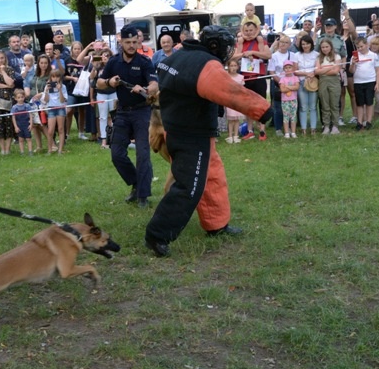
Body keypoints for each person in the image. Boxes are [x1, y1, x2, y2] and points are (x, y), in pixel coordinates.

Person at [144, 26, 272, 257]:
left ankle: (216, 224)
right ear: (216, 46)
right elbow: (230, 92)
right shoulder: (205, 66)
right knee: (189, 187)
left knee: (212, 177)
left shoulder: (178, 55)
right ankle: (157, 234)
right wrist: (263, 110)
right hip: (191, 134)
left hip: (179, 129)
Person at [97, 24, 159, 208]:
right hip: (122, 112)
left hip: (142, 111)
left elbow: (155, 85)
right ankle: (135, 182)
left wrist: (146, 88)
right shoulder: (114, 62)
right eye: (128, 42)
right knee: (116, 155)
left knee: (142, 154)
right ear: (121, 42)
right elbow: (99, 83)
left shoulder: (145, 62)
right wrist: (109, 81)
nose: (132, 45)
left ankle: (143, 196)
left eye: (134, 41)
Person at [232, 21, 271, 140]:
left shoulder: (261, 41)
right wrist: (243, 54)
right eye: (246, 31)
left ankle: (262, 131)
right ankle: (250, 130)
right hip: (246, 78)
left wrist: (253, 52)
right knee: (248, 105)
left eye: (251, 31)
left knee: (261, 104)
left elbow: (268, 55)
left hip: (258, 77)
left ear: (256, 30)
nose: (249, 33)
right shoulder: (240, 43)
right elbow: (233, 56)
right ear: (243, 31)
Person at [349, 37, 379, 130]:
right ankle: (359, 122)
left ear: (367, 45)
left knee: (369, 102)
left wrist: (377, 83)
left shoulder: (373, 55)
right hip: (358, 82)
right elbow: (351, 71)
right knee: (360, 103)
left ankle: (369, 122)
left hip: (370, 81)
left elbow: (378, 70)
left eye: (361, 46)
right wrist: (353, 63)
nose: (360, 49)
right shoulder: (355, 56)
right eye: (358, 47)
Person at [268, 34, 294, 136]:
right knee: (278, 107)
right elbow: (272, 71)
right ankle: (278, 128)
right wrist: (280, 82)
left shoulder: (292, 55)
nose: (283, 44)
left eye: (286, 42)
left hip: (290, 84)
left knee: (290, 107)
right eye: (281, 42)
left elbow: (295, 69)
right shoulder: (274, 56)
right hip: (277, 83)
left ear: (289, 44)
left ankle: (290, 128)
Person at [315, 38, 342, 135]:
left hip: (334, 82)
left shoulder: (336, 56)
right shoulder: (319, 58)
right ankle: (326, 126)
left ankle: (335, 125)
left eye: (327, 47)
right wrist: (331, 67)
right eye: (323, 47)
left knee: (334, 104)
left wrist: (323, 69)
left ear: (330, 47)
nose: (325, 49)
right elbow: (317, 71)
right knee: (325, 104)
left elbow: (336, 71)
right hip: (323, 81)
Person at [90, 49, 116, 149]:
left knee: (114, 116)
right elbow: (91, 78)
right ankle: (104, 141)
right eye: (103, 56)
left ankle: (114, 139)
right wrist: (94, 67)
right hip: (101, 94)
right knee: (103, 117)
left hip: (113, 93)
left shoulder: (113, 66)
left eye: (107, 56)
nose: (105, 57)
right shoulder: (98, 67)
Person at [294, 34, 319, 135]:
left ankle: (313, 128)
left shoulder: (316, 54)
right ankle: (304, 128)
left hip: (313, 82)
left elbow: (317, 68)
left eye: (307, 44)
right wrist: (305, 73)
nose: (305, 46)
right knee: (303, 106)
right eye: (303, 44)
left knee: (313, 106)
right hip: (301, 82)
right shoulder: (296, 55)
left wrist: (312, 74)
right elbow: (295, 71)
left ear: (311, 44)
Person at [279, 60, 300, 138]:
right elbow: (282, 90)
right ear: (284, 69)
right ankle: (287, 132)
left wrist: (287, 87)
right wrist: (292, 88)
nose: (288, 69)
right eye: (286, 68)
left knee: (293, 116)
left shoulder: (295, 78)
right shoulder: (282, 79)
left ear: (292, 68)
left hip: (293, 100)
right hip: (285, 101)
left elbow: (297, 87)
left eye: (289, 67)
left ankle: (293, 132)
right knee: (286, 116)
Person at [225, 59, 244, 143]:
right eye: (231, 66)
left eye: (235, 66)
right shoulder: (226, 76)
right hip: (229, 100)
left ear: (238, 67)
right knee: (230, 119)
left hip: (238, 100)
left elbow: (242, 89)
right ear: (228, 67)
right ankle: (230, 136)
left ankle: (236, 136)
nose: (233, 67)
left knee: (236, 119)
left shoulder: (241, 77)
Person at [11, 88, 33, 155]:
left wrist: (31, 124)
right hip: (19, 125)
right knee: (21, 140)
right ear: (15, 98)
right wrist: (15, 127)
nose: (20, 99)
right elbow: (13, 117)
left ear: (24, 97)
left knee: (28, 139)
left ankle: (30, 152)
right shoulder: (14, 108)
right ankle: (22, 152)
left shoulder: (27, 106)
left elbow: (31, 115)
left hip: (26, 124)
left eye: (22, 97)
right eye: (19, 97)